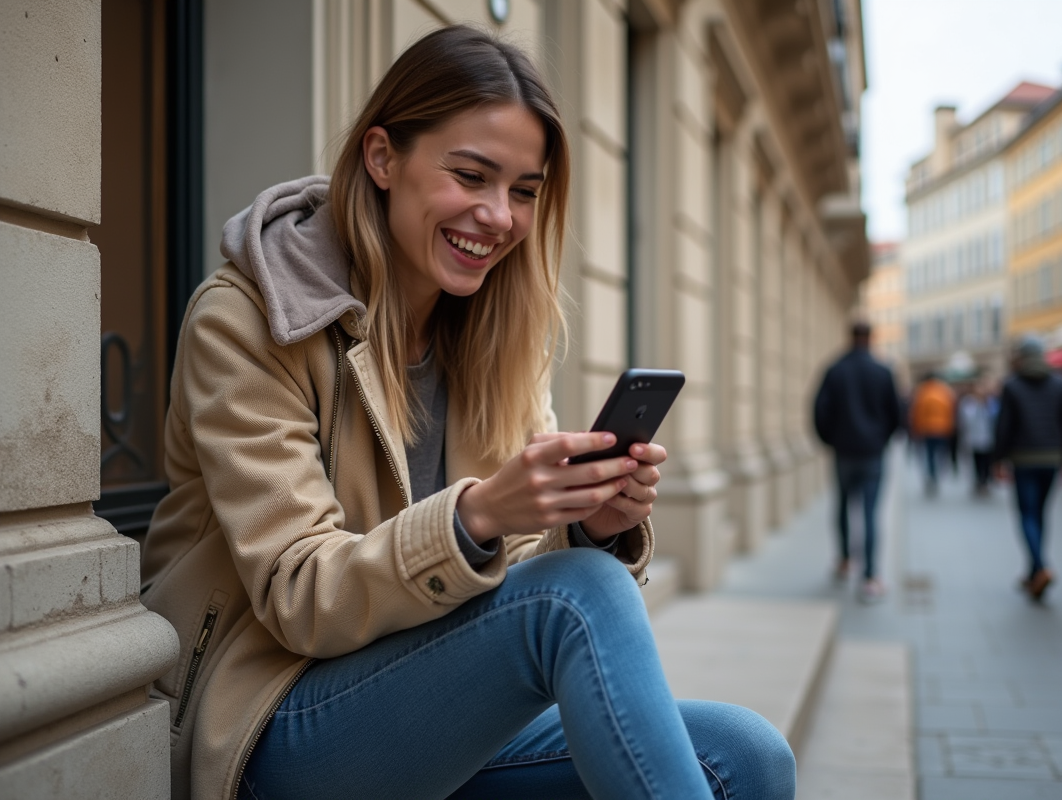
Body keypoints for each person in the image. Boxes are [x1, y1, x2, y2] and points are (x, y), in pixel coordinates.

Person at [139, 27, 794, 800]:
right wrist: (476, 516)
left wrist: (590, 525)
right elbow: (299, 593)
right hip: (272, 720)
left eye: (524, 190)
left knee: (749, 756)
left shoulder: (495, 335)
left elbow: (510, 578)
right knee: (576, 594)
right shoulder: (250, 318)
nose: (498, 216)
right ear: (383, 158)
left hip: (431, 701)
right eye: (472, 176)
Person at [813, 322, 902, 603]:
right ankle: (871, 576)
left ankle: (844, 560)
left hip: (844, 451)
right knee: (870, 512)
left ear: (850, 337)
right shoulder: (883, 371)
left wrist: (831, 440)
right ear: (871, 338)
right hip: (873, 452)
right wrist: (882, 438)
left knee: (842, 506)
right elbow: (897, 414)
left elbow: (819, 410)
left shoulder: (835, 369)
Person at [994, 336, 1062, 601]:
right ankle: (1033, 572)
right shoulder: (1061, 383)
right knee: (1040, 514)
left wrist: (998, 458)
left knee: (1027, 514)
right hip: (1051, 457)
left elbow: (1004, 426)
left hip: (1023, 458)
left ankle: (1040, 567)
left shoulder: (1012, 385)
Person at [909, 372, 957, 495]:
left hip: (927, 429)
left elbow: (917, 412)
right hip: (942, 429)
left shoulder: (922, 392)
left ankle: (932, 476)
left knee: (929, 455)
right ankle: (938, 475)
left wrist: (916, 428)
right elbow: (950, 410)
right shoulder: (944, 391)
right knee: (941, 454)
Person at [958, 378, 998, 495]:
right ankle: (979, 481)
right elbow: (966, 420)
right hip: (975, 438)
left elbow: (996, 417)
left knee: (987, 461)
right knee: (977, 461)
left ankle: (985, 481)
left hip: (989, 437)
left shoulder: (991, 402)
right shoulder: (968, 402)